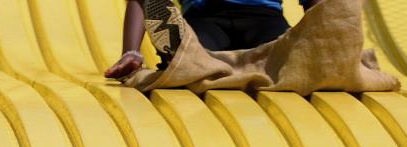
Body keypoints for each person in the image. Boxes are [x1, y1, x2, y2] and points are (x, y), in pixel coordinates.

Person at [105, 0, 315, 79]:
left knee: (283, 51)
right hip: (206, 17)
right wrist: (131, 52)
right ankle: (179, 54)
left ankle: (182, 56)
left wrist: (323, 35)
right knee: (194, 52)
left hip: (263, 17)